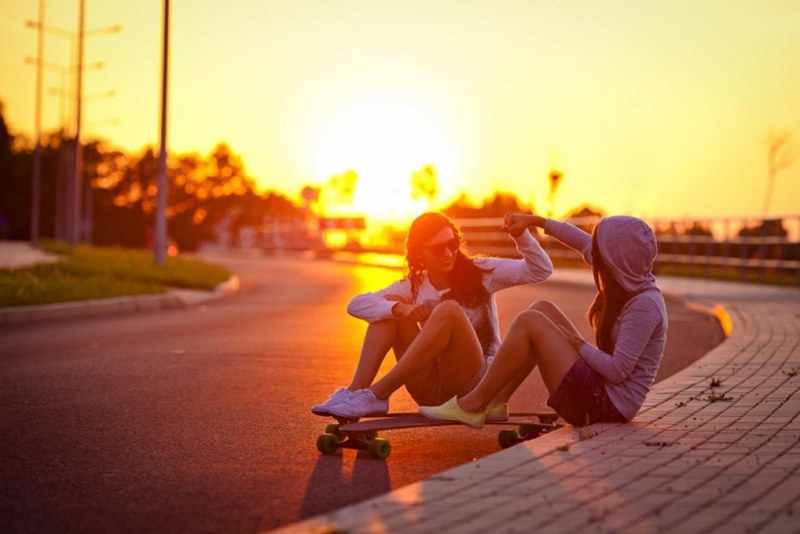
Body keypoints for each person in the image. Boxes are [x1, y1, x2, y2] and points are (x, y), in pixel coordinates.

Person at [420, 213, 667, 427]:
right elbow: (578, 241)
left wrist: (578, 344)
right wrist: (535, 221)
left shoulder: (644, 305)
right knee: (542, 308)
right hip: (600, 391)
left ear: (616, 260)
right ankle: (495, 402)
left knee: (531, 321)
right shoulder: (628, 276)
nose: (593, 254)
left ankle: (472, 404)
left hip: (606, 406)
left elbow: (617, 371)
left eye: (600, 251)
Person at [311, 211, 554, 419]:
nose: (448, 253)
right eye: (438, 248)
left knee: (447, 310)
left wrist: (520, 235)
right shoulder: (412, 285)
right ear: (419, 254)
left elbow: (540, 270)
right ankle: (356, 391)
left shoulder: (481, 272)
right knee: (388, 311)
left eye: (452, 244)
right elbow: (356, 304)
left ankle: (377, 394)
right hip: (429, 389)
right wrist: (401, 309)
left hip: (474, 385)